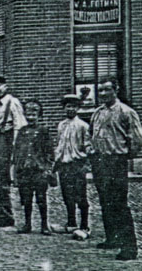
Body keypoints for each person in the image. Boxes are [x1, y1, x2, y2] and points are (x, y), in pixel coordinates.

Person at [89, 76, 142, 261]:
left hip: (116, 162)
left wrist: (125, 156)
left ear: (116, 89)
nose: (103, 93)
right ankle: (112, 238)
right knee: (105, 201)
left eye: (107, 89)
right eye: (101, 90)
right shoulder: (97, 112)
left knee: (119, 204)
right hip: (100, 162)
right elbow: (92, 135)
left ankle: (129, 247)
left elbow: (138, 139)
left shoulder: (126, 112)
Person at [0, 76, 27, 227]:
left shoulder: (12, 102)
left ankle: (6, 216)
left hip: (3, 142)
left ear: (5, 87)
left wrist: (15, 149)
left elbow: (19, 126)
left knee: (0, 179)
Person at [13, 100, 53, 236]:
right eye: (28, 114)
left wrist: (47, 168)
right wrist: (17, 170)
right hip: (25, 171)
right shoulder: (22, 132)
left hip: (39, 170)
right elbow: (17, 152)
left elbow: (49, 152)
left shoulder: (43, 131)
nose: (31, 117)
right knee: (27, 199)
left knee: (41, 198)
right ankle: (27, 224)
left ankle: (44, 225)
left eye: (34, 114)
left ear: (39, 116)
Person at [54, 94, 93, 233]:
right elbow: (59, 144)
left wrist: (85, 163)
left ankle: (84, 224)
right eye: (68, 106)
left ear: (78, 108)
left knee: (80, 195)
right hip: (64, 164)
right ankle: (71, 222)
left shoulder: (83, 126)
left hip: (77, 164)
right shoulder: (61, 125)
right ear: (64, 108)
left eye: (73, 106)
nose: (70, 109)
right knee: (67, 194)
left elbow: (87, 145)